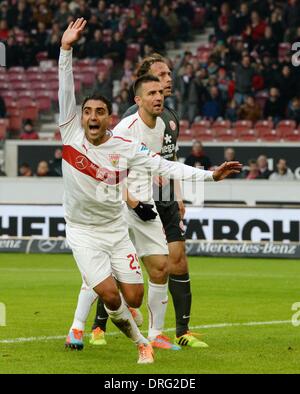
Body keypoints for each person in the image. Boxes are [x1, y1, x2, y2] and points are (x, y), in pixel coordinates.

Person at [61, 19, 241, 362]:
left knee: (149, 277)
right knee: (106, 285)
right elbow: (65, 92)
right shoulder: (101, 130)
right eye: (155, 88)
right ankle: (86, 327)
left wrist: (209, 178)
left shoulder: (154, 128)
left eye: (163, 89)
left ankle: (149, 331)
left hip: (132, 214)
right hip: (106, 215)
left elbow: (164, 165)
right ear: (138, 98)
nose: (161, 92)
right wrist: (65, 50)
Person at [92, 53, 235, 349]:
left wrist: (190, 188)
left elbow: (168, 163)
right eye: (159, 79)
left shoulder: (165, 120)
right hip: (124, 201)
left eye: (167, 78)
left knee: (167, 264)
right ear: (142, 91)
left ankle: (167, 332)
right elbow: (109, 172)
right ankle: (89, 327)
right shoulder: (130, 123)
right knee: (114, 270)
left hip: (159, 198)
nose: (166, 82)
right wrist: (130, 199)